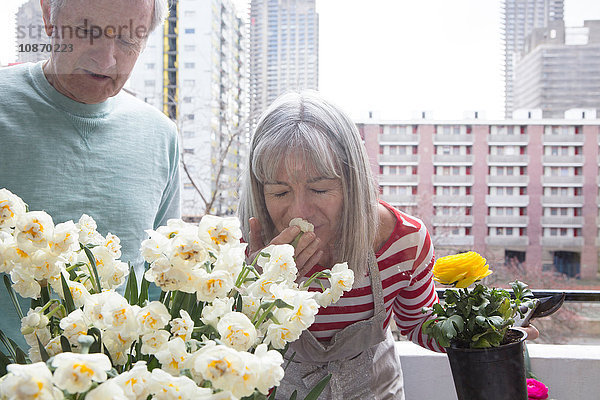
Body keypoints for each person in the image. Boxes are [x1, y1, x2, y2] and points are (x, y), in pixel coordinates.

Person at [239, 91, 537, 399]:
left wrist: (485, 331)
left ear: (352, 182)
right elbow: (220, 344)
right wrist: (256, 289)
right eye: (279, 193)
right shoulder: (237, 248)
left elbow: (419, 322)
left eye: (319, 189)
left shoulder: (403, 241)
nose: (300, 211)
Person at [0, 0, 180, 349]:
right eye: (87, 31)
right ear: (48, 14)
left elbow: (164, 286)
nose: (106, 59)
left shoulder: (160, 136)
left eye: (128, 40)